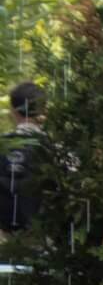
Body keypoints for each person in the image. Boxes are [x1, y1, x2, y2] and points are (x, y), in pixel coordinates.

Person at [2, 81, 49, 234]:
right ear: (43, 110)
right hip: (44, 237)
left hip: (5, 234)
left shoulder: (3, 144)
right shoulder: (55, 148)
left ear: (14, 111)